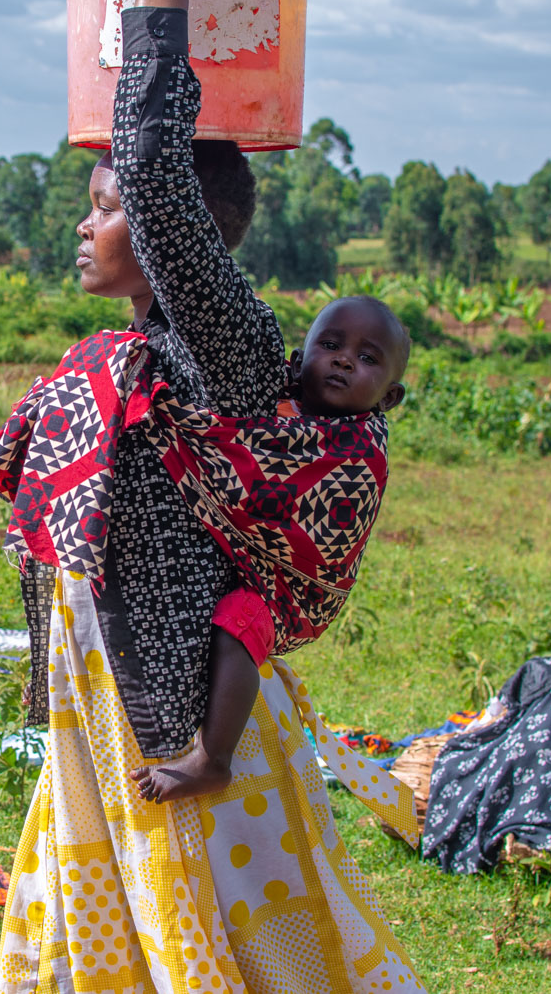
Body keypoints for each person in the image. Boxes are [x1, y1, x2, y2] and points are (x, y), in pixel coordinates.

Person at [0, 0, 425, 991]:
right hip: (104, 677)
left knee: (230, 923)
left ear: (168, 219)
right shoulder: (141, 349)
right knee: (127, 907)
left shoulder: (223, 345)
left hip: (176, 698)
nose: (87, 225)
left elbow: (151, 162)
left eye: (106, 204)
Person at [130, 295, 410, 804]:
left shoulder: (361, 450)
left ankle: (212, 759)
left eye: (368, 358)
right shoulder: (263, 394)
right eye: (330, 345)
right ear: (298, 359)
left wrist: (190, 436)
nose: (345, 359)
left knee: (239, 620)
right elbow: (241, 442)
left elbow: (263, 481)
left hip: (289, 592)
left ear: (390, 398)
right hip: (230, 556)